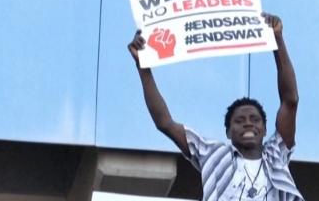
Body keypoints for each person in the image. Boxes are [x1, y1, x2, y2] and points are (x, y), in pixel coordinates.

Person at [128, 13, 304, 201]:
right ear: (228, 132)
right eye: (239, 120)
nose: (248, 124)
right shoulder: (213, 153)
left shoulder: (276, 154)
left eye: (255, 120)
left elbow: (290, 101)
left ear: (264, 129)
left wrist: (277, 40)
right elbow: (165, 123)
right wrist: (143, 66)